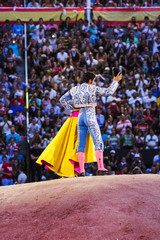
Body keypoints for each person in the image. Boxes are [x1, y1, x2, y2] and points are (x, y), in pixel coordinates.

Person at [60, 70, 122, 176]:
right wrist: (115, 81)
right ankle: (101, 167)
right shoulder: (92, 88)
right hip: (90, 116)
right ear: (90, 80)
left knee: (81, 145)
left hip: (80, 117)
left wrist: (73, 109)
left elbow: (62, 100)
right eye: (93, 80)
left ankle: (82, 171)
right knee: (98, 142)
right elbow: (108, 92)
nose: (93, 82)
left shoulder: (75, 89)